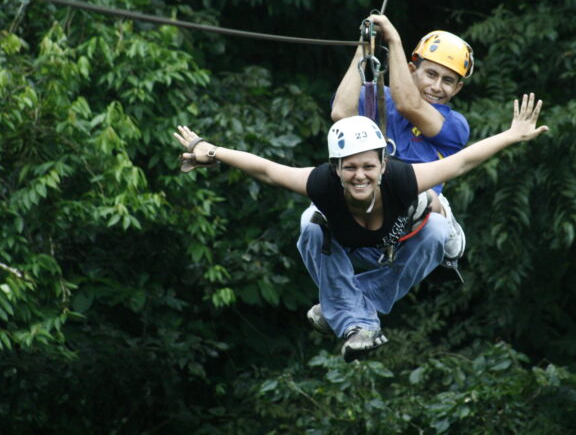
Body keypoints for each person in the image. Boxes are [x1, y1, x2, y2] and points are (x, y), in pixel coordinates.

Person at [174, 93, 548, 362]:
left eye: (369, 166)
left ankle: (340, 311)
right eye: (349, 167)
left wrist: (512, 135)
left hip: (396, 243)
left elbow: (463, 162)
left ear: (383, 165)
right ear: (336, 169)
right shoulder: (322, 183)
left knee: (435, 230)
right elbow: (269, 171)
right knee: (310, 223)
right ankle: (354, 321)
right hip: (344, 246)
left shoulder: (402, 179)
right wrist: (212, 150)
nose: (359, 176)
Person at [331, 14, 474, 272]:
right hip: (370, 206)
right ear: (411, 70)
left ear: (458, 89)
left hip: (416, 217)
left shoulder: (454, 125)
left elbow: (409, 104)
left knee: (419, 196)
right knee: (314, 218)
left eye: (448, 80)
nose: (436, 86)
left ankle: (446, 224)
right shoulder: (377, 98)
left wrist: (394, 40)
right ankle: (345, 303)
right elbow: (341, 113)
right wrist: (363, 48)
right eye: (430, 74)